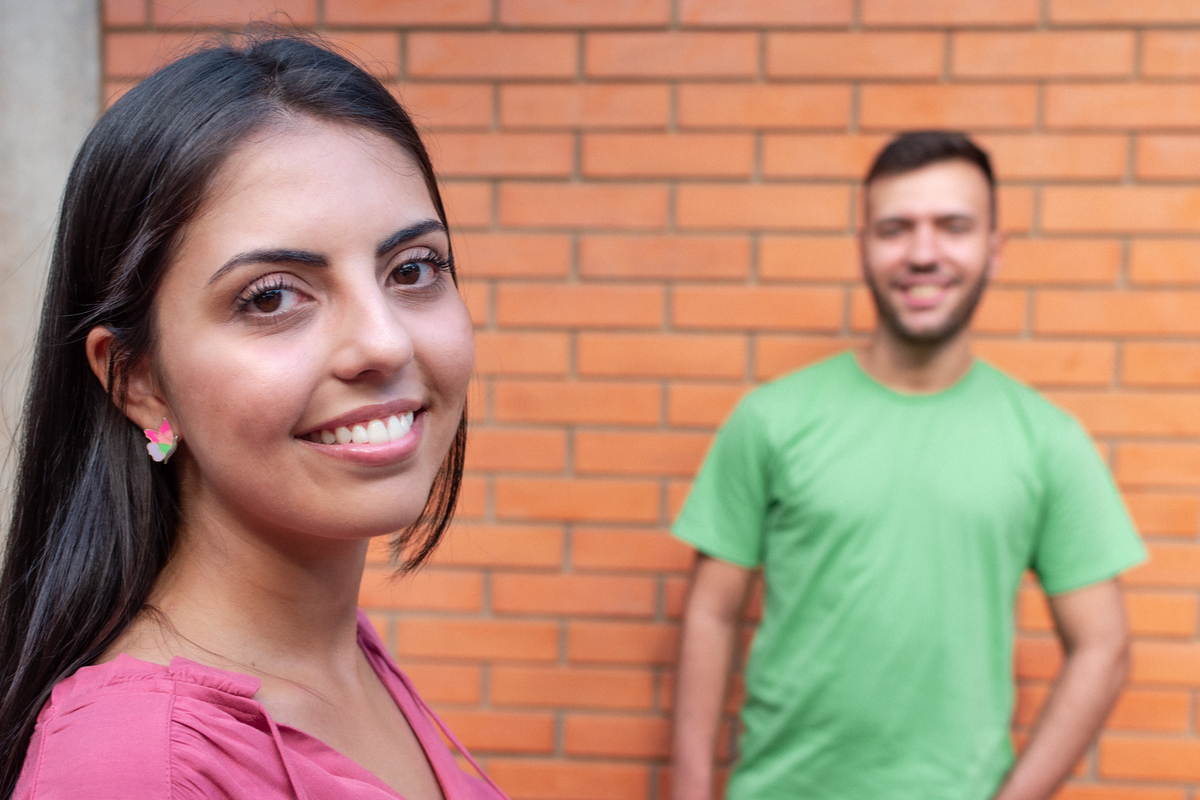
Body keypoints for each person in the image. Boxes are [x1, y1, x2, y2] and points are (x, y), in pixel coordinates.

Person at [0, 35, 506, 800]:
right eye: (272, 296)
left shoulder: (339, 649)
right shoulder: (138, 769)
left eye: (412, 269)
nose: (384, 342)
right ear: (138, 380)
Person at [669, 131, 1146, 800]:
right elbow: (711, 615)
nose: (923, 253)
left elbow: (1104, 647)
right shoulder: (771, 419)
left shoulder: (1048, 442)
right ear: (863, 247)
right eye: (895, 229)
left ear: (995, 250)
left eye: (953, 226)